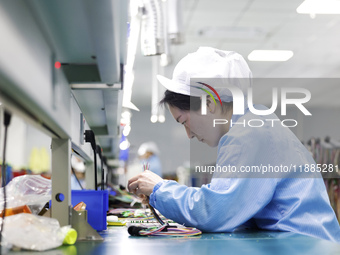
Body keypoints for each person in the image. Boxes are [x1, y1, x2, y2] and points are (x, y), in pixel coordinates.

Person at [128, 47, 340, 242]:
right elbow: (229, 205)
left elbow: (213, 212)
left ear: (209, 103)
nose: (188, 135)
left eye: (184, 121)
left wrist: (159, 189)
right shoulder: (254, 125)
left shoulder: (249, 135)